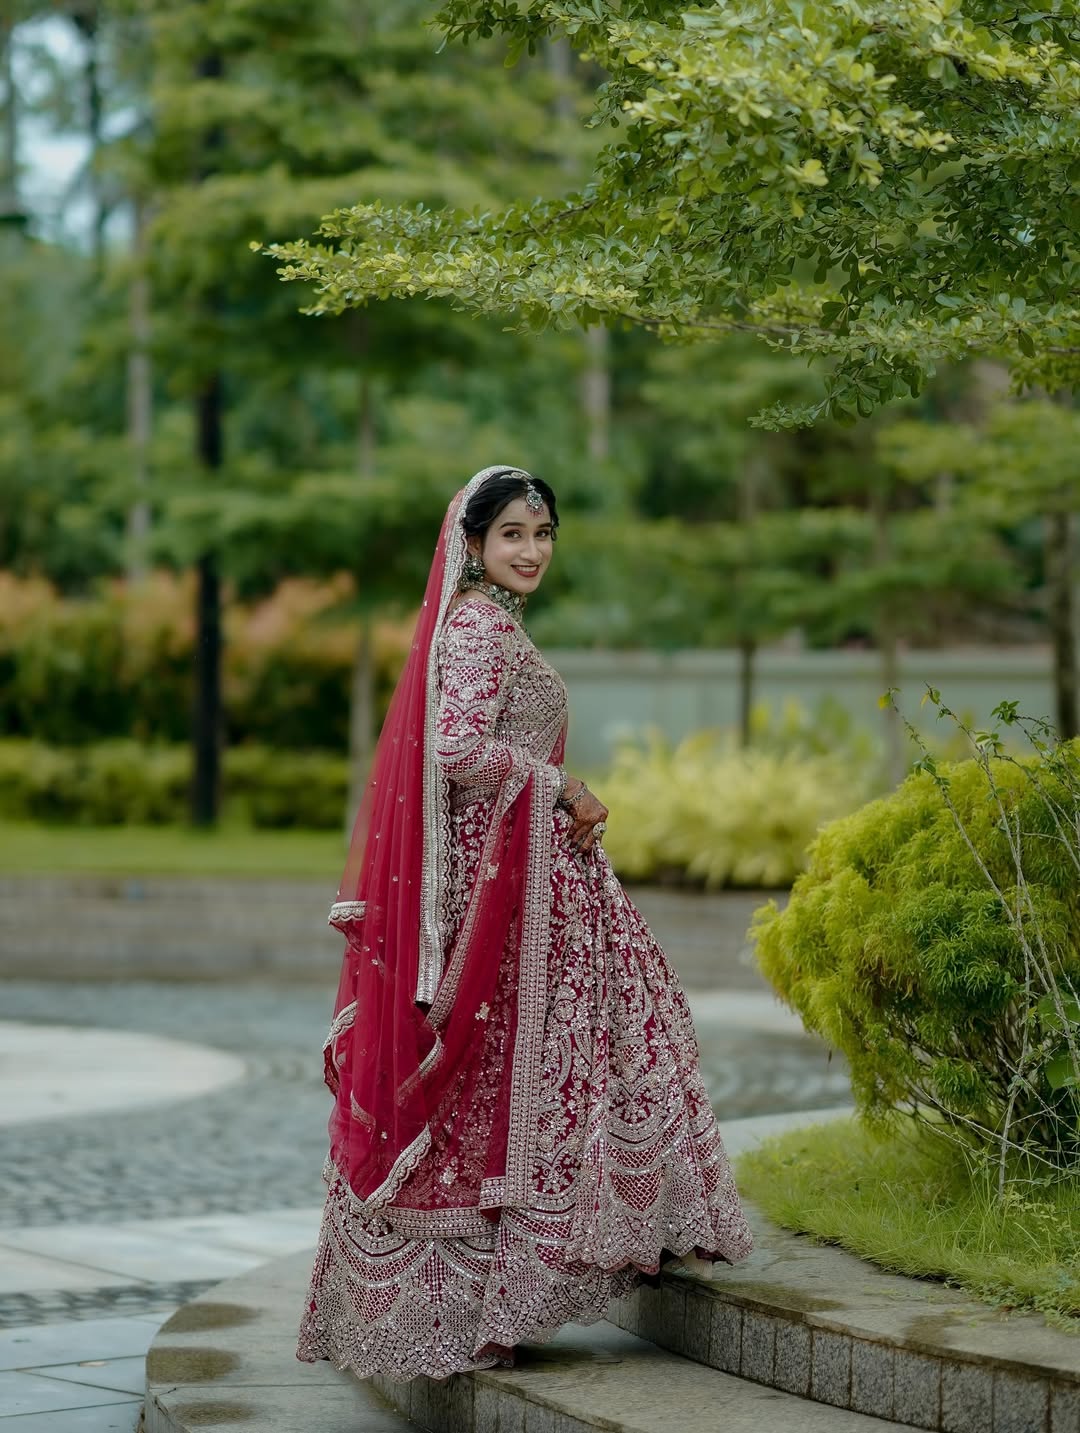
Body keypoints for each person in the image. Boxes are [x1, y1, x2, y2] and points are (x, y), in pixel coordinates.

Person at [297, 464, 752, 1381]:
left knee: (596, 1043)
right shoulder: (477, 628)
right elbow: (460, 750)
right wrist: (565, 785)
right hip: (503, 888)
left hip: (534, 878)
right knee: (521, 1068)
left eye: (542, 534)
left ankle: (612, 1239)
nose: (532, 550)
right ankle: (503, 1288)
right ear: (471, 543)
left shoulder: (490, 623)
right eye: (512, 534)